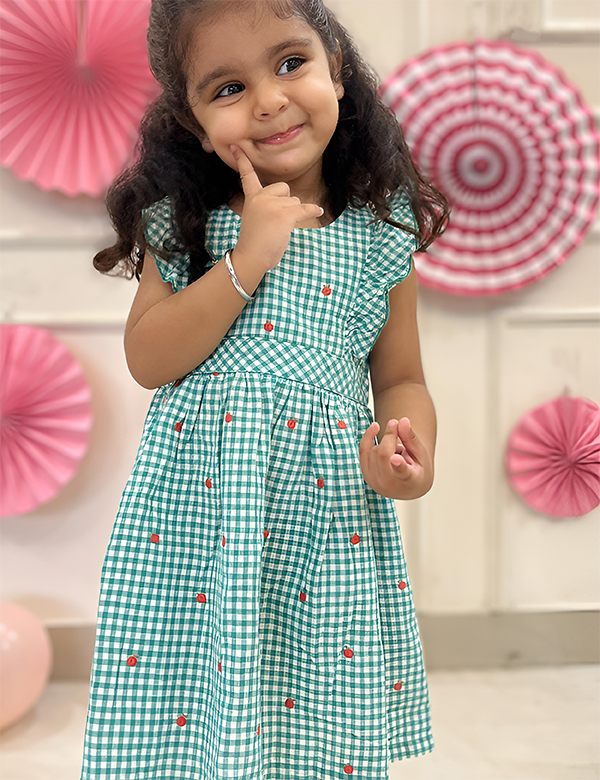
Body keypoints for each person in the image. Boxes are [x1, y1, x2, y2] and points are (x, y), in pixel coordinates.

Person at [81, 0, 449, 778]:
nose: (270, 100)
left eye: (290, 63)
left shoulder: (379, 234)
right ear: (193, 122)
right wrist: (247, 258)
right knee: (189, 710)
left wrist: (407, 456)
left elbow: (402, 378)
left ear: (336, 69)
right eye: (228, 88)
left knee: (314, 709)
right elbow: (149, 358)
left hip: (327, 522)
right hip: (200, 523)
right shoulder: (186, 223)